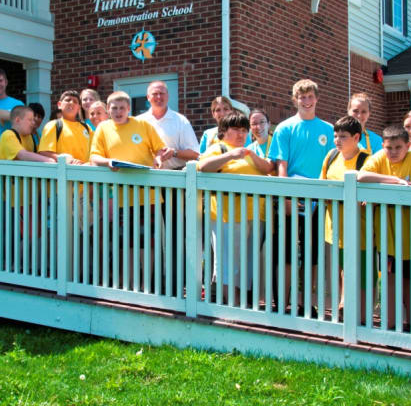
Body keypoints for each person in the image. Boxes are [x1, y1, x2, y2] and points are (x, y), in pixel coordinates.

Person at [89, 91, 173, 291]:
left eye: (122, 108)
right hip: (121, 197)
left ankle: (145, 285)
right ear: (108, 110)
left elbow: (160, 150)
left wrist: (159, 158)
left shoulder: (143, 125)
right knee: (125, 243)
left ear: (129, 109)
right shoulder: (103, 128)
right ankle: (130, 284)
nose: (118, 112)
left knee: (148, 243)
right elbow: (94, 157)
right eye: (114, 108)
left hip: (148, 196)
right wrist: (108, 161)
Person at [267, 78, 334, 312]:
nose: (306, 101)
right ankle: (282, 303)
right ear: (295, 100)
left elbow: (330, 165)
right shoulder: (285, 128)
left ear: (317, 98)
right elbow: (281, 165)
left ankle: (306, 303)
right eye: (301, 97)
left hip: (317, 202)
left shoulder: (328, 130)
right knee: (285, 252)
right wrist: (286, 197)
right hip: (291, 199)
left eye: (310, 96)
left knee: (312, 254)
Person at [358, 125, 411, 331]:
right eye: (389, 148)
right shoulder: (380, 157)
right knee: (389, 279)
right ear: (383, 146)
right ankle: (390, 324)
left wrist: (378, 195)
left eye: (398, 147)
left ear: (408, 145)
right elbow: (361, 176)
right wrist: (395, 181)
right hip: (386, 237)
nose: (393, 152)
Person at [198, 112, 272, 305]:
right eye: (236, 129)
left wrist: (252, 155)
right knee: (226, 260)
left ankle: (240, 300)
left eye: (244, 130)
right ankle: (233, 301)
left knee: (245, 260)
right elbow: (202, 166)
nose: (241, 134)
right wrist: (230, 155)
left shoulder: (249, 151)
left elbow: (267, 169)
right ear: (224, 131)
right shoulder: (219, 148)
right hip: (226, 215)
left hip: (253, 214)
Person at [319, 115, 371, 322]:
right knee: (339, 271)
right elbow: (322, 184)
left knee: (360, 274)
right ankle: (342, 311)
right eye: (335, 136)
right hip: (333, 227)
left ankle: (362, 318)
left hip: (360, 229)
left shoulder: (366, 159)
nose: (337, 141)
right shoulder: (331, 156)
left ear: (356, 137)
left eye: (343, 136)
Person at [137, 80, 199, 170]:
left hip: (175, 175)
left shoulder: (181, 121)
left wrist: (174, 153)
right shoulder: (139, 121)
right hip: (145, 175)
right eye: (155, 94)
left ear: (168, 96)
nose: (159, 97)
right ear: (148, 97)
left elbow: (195, 154)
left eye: (162, 93)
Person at [38, 90, 92, 164]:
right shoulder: (53, 125)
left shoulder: (87, 128)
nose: (71, 103)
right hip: (62, 170)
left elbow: (94, 152)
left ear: (79, 108)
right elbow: (44, 152)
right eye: (68, 100)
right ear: (59, 104)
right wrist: (66, 160)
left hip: (85, 170)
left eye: (75, 101)